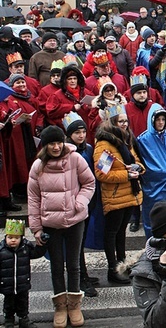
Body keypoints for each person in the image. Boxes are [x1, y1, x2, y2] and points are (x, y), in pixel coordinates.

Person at [27, 126, 95, 328]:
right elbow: (33, 198)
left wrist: (80, 202)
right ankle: (60, 306)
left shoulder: (75, 159)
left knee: (74, 265)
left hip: (75, 221)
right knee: (56, 266)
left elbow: (89, 183)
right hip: (51, 224)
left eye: (58, 142)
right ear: (45, 146)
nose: (56, 147)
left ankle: (74, 305)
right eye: (51, 144)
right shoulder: (38, 166)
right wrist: (36, 228)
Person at [93, 105, 145, 285]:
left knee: (121, 232)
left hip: (130, 193)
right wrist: (126, 175)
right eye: (120, 121)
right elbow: (102, 174)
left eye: (125, 121)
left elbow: (136, 160)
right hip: (115, 195)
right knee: (112, 233)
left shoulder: (126, 139)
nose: (124, 124)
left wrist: (138, 169)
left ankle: (123, 265)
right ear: (113, 123)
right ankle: (112, 269)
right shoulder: (105, 144)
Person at [62, 112, 101, 299]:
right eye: (77, 132)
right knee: (75, 244)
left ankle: (83, 273)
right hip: (74, 201)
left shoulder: (89, 148)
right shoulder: (66, 152)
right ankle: (79, 279)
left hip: (89, 199)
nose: (81, 135)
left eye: (83, 131)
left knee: (82, 240)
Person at [136, 106, 166, 238]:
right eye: (158, 119)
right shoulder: (143, 139)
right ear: (152, 120)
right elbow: (145, 163)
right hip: (155, 184)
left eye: (163, 119)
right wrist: (162, 172)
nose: (161, 122)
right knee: (154, 214)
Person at [0, 219, 47, 328]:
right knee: (8, 303)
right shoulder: (2, 250)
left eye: (16, 238)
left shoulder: (26, 248)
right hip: (7, 284)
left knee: (23, 302)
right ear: (5, 237)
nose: (13, 240)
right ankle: (8, 320)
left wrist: (43, 244)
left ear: (21, 238)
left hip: (22, 283)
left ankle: (23, 319)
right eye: (10, 237)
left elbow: (37, 253)